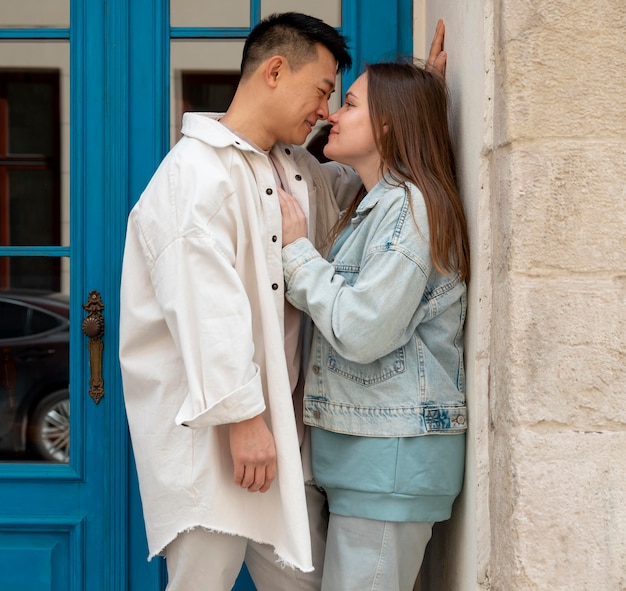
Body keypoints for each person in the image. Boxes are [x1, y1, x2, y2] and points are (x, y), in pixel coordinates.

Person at [119, 9, 448, 590]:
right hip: (216, 438)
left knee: (305, 583)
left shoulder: (297, 168)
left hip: (290, 444)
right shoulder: (193, 175)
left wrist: (418, 108)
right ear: (275, 71)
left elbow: (373, 184)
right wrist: (244, 419)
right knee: (203, 581)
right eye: (323, 91)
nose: (325, 111)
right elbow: (206, 309)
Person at [278, 59, 469, 591]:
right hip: (369, 457)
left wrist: (298, 255)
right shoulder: (376, 202)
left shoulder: (411, 209)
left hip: (390, 461)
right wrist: (420, 88)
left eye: (351, 104)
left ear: (387, 123)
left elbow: (363, 329)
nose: (333, 115)